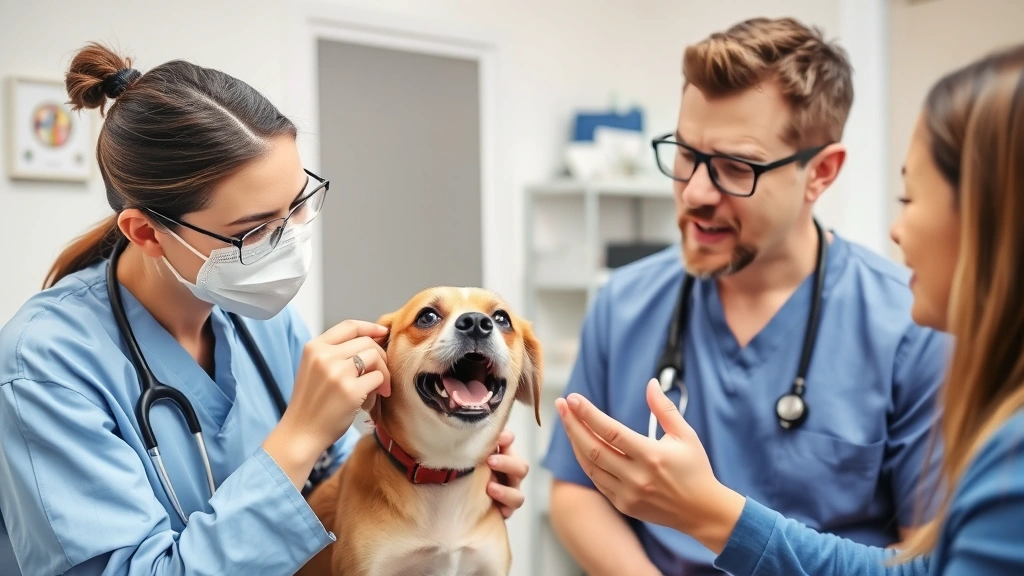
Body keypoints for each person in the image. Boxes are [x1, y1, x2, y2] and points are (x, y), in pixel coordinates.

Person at [0, 43, 529, 576]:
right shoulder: (45, 367)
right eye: (254, 231)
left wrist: (438, 486)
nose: (290, 243)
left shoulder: (264, 328)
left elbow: (332, 499)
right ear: (146, 232)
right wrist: (298, 434)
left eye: (297, 205)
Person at [555, 42, 1024, 575]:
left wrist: (713, 516)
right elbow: (575, 487)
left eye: (736, 166)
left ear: (821, 173)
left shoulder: (915, 326)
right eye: (685, 155)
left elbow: (926, 564)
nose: (695, 193)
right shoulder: (624, 301)